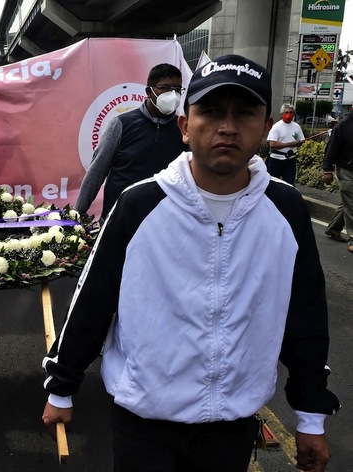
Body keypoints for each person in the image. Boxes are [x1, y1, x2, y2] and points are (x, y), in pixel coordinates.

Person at [42, 54, 339, 472]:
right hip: (143, 424)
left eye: (245, 113)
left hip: (232, 427)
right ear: (185, 126)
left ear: (265, 125)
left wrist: (311, 416)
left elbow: (305, 315)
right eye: (212, 111)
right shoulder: (140, 204)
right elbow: (93, 297)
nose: (228, 126)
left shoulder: (286, 210)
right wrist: (62, 385)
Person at [74, 63, 188, 221]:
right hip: (118, 220)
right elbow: (96, 172)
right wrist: (77, 215)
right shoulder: (120, 124)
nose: (173, 95)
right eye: (166, 88)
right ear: (149, 91)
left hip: (164, 222)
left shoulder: (183, 129)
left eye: (177, 89)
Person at [323, 108, 353, 253]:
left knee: (347, 203)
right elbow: (331, 148)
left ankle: (333, 228)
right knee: (352, 203)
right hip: (346, 170)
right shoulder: (343, 125)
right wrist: (327, 170)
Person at [266, 104, 305, 185]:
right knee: (272, 184)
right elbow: (272, 144)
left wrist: (299, 143)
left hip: (290, 160)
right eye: (286, 112)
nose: (289, 115)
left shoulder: (296, 127)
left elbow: (301, 140)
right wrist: (289, 144)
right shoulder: (276, 127)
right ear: (282, 114)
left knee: (290, 184)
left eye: (291, 112)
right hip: (276, 160)